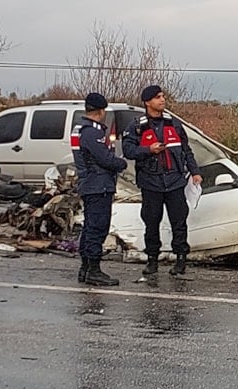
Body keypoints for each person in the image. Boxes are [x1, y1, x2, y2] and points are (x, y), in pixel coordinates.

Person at [122, 85, 202, 276]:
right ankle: (152, 260)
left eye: (163, 96)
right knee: (151, 223)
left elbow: (186, 150)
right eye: (158, 97)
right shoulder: (136, 127)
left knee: (179, 222)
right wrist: (148, 150)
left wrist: (195, 171)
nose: (163, 100)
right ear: (147, 102)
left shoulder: (173, 124)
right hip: (151, 183)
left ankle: (181, 259)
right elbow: (128, 151)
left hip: (175, 182)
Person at [72, 92, 127, 286]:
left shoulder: (80, 129)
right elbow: (104, 158)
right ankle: (93, 269)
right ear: (101, 111)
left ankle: (86, 268)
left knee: (89, 227)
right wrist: (121, 163)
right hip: (98, 184)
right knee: (97, 228)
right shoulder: (91, 132)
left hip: (91, 184)